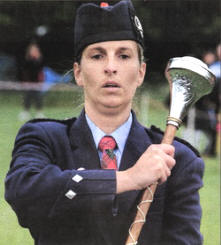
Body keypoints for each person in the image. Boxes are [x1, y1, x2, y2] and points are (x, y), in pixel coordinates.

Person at [5, 1, 204, 244]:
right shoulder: (44, 139)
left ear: (140, 72)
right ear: (78, 72)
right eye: (98, 55)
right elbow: (23, 193)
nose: (111, 67)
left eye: (123, 55)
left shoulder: (177, 160)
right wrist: (128, 179)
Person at [18, 41, 45, 121]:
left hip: (37, 83)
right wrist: (24, 82)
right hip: (28, 83)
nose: (34, 52)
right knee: (27, 97)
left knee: (38, 98)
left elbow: (40, 71)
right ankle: (25, 112)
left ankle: (39, 113)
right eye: (32, 50)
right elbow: (24, 71)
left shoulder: (40, 60)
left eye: (35, 50)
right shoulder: (26, 60)